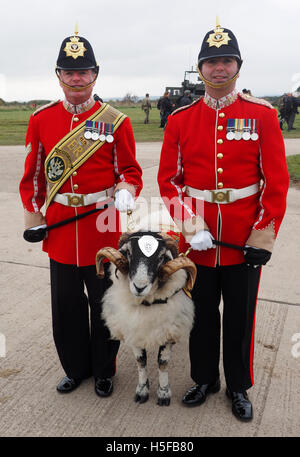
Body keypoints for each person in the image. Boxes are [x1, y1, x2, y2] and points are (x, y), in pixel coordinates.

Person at [157, 20, 289, 421]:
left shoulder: (261, 115)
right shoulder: (181, 119)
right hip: (197, 243)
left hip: (241, 240)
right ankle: (202, 378)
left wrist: (261, 237)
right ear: (200, 68)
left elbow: (275, 182)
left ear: (238, 66)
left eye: (226, 61)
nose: (219, 69)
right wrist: (191, 227)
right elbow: (168, 181)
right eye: (211, 62)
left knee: (240, 315)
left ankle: (238, 385)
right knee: (199, 315)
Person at [19, 28, 143, 397]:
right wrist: (34, 219)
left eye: (84, 71)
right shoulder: (41, 119)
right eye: (69, 71)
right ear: (58, 75)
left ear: (95, 74)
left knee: (106, 305)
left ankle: (105, 369)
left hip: (102, 229)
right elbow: (33, 177)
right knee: (66, 307)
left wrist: (125, 190)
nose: (77, 78)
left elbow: (130, 171)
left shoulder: (116, 120)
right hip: (59, 229)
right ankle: (75, 368)